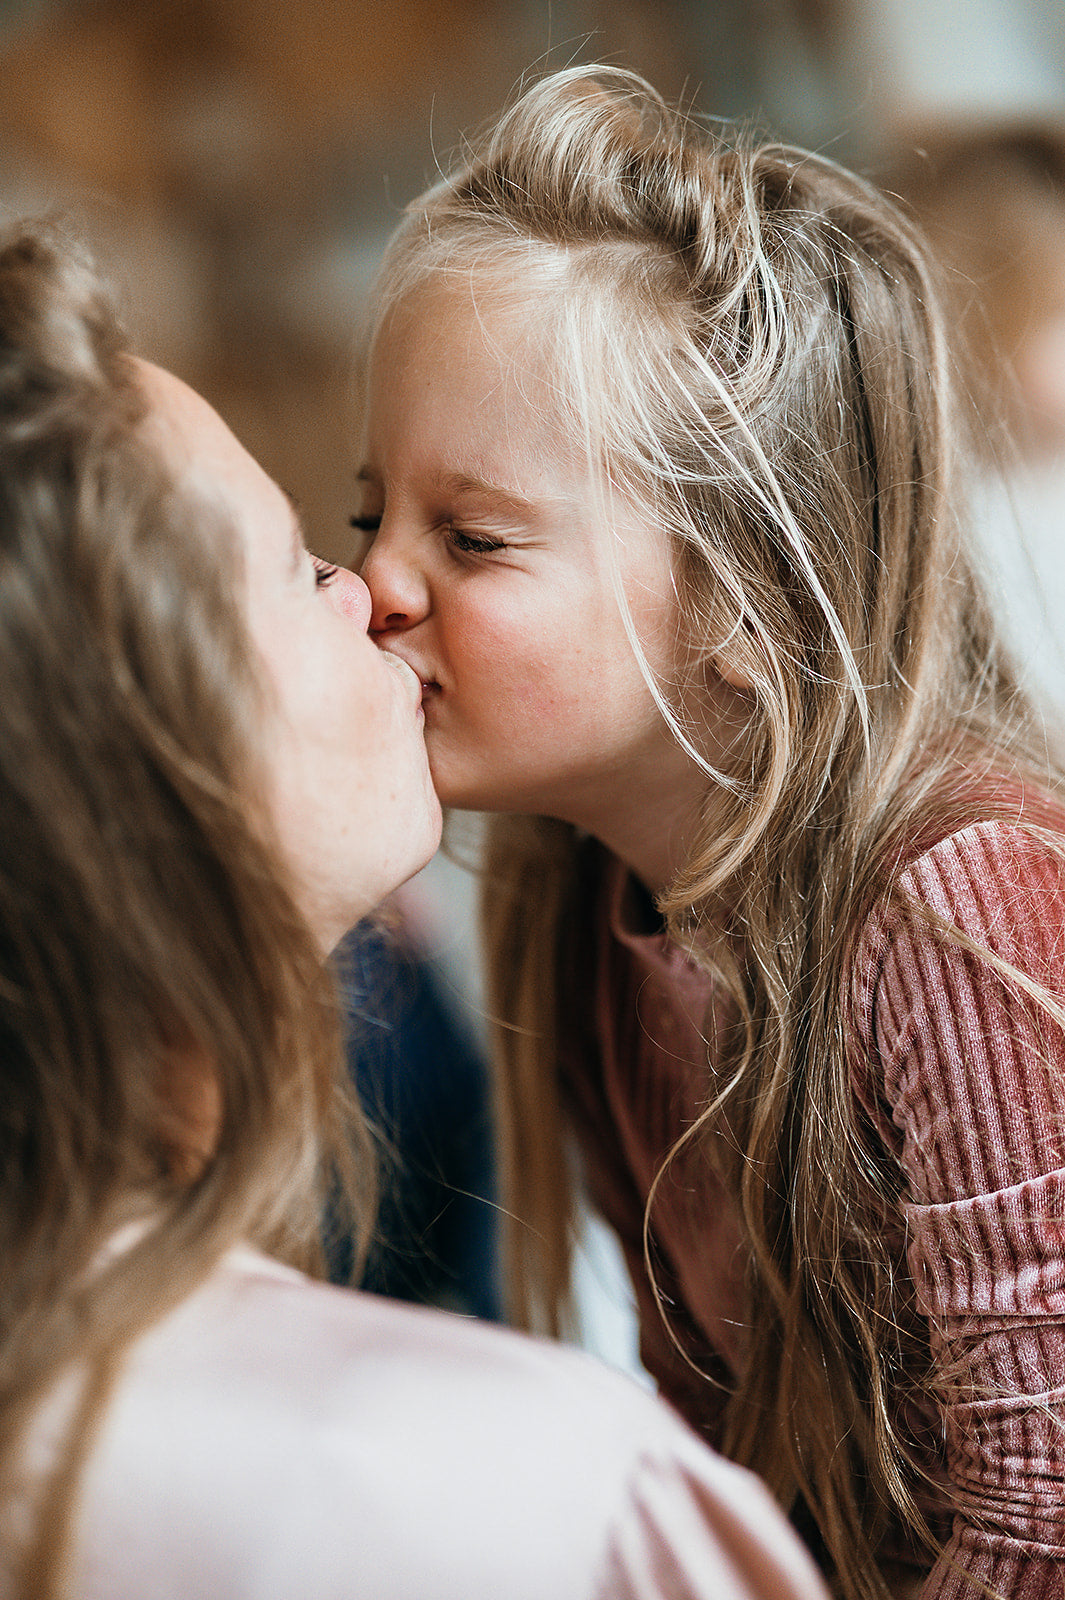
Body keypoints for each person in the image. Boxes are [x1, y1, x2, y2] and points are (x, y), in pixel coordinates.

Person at [0, 222, 832, 1600]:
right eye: (295, 562)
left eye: (474, 535)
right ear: (127, 768)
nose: (369, 590)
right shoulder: (523, 1503)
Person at [356, 65, 1065, 1600]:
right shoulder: (588, 889)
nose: (373, 588)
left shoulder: (956, 901)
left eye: (469, 537)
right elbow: (722, 1435)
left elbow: (1044, 1522)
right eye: (372, 517)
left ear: (745, 607)